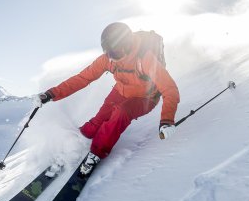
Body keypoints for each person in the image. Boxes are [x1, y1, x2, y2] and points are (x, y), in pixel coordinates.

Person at [36, 22, 180, 175]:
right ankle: (77, 142)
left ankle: (96, 153)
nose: (112, 58)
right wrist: (52, 93)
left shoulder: (145, 59)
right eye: (108, 53)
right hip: (120, 91)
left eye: (115, 53)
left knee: (121, 113)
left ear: (127, 46)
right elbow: (82, 78)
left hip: (145, 98)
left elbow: (170, 89)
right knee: (98, 120)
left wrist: (167, 120)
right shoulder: (108, 59)